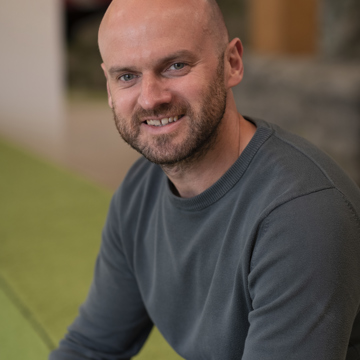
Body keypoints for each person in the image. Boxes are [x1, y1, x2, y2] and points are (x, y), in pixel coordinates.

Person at [50, 0, 360, 359]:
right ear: (108, 86)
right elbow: (91, 347)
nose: (151, 98)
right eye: (127, 77)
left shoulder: (302, 214)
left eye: (176, 66)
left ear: (232, 63)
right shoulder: (140, 189)